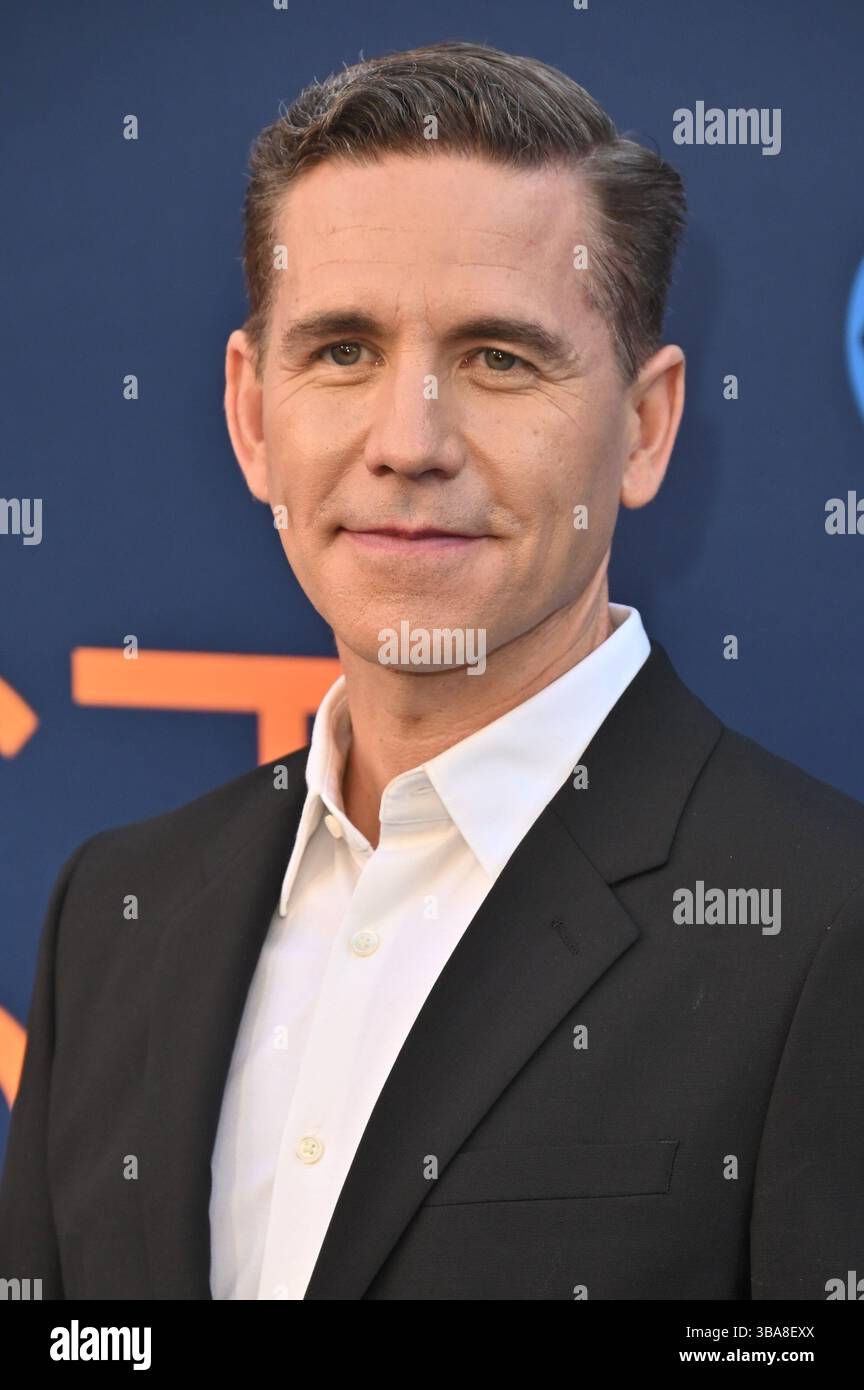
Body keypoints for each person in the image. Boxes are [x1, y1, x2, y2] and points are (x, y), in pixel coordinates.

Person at [2, 40, 862, 1301]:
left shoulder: (828, 925)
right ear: (252, 413)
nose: (410, 442)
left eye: (499, 358)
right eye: (342, 351)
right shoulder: (115, 913)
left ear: (646, 426)